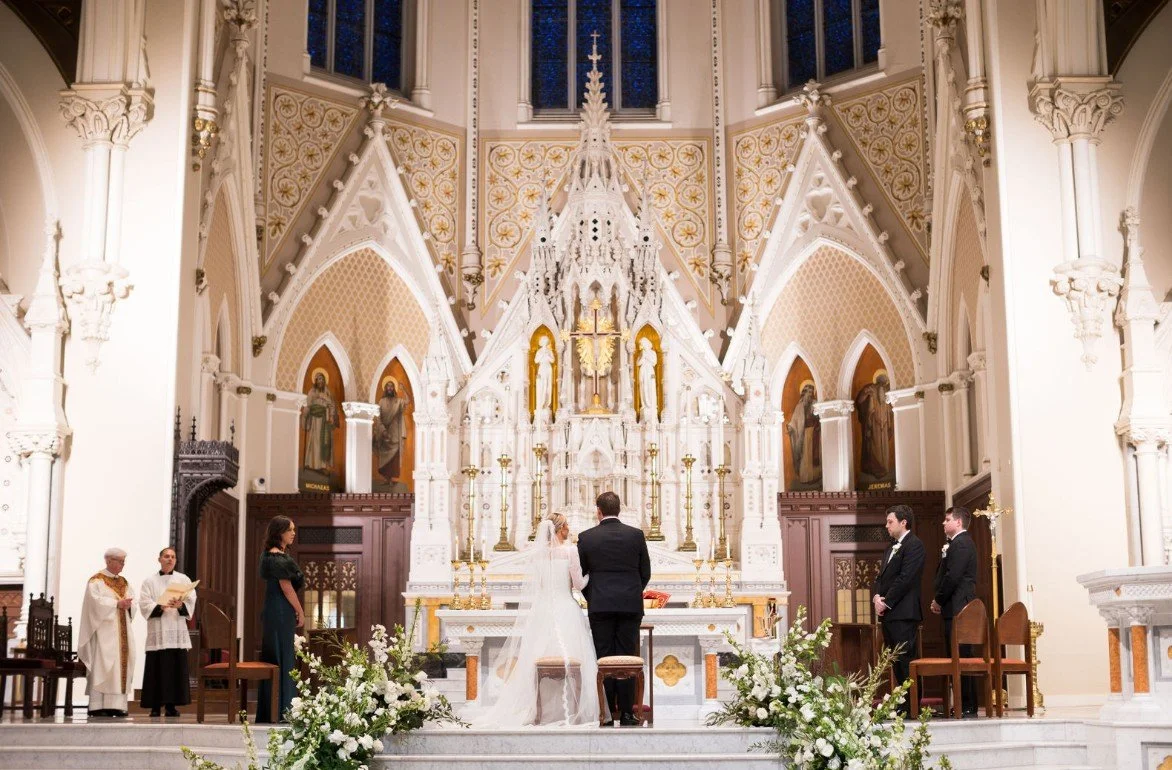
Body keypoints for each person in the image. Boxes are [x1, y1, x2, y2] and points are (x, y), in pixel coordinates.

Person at [472, 512, 599, 727]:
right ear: (560, 529)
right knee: (575, 657)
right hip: (566, 609)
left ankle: (542, 710)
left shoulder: (537, 554)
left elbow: (539, 585)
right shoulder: (570, 551)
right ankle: (573, 710)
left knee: (537, 656)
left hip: (543, 612)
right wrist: (593, 574)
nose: (569, 529)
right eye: (566, 525)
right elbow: (579, 584)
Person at [576, 492, 652, 726]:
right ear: (619, 509)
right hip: (630, 605)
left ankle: (607, 713)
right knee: (628, 657)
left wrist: (594, 596)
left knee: (604, 658)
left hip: (600, 606)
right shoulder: (636, 535)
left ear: (598, 511)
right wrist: (631, 592)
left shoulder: (586, 537)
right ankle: (628, 713)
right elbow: (645, 572)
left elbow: (582, 576)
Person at [871, 504, 925, 711]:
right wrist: (876, 596)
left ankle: (912, 705)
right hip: (889, 613)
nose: (886, 525)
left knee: (905, 659)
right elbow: (881, 577)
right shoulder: (890, 547)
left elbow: (906, 579)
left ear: (903, 522)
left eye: (890, 521)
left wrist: (886, 601)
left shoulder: (915, 545)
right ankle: (902, 703)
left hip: (903, 612)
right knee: (895, 660)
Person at [931, 505, 979, 717]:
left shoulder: (961, 545)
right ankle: (962, 703)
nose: (944, 522)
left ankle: (967, 704)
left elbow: (953, 577)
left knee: (962, 656)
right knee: (957, 656)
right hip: (955, 607)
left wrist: (938, 600)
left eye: (947, 519)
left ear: (958, 522)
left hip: (959, 607)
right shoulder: (957, 543)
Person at [256, 515, 304, 723]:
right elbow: (286, 588)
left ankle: (275, 709)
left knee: (278, 656)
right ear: (279, 533)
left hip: (275, 610)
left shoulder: (271, 555)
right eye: (290, 530)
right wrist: (300, 611)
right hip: (280, 610)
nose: (293, 533)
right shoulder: (277, 557)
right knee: (282, 656)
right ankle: (284, 708)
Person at [78, 547, 136, 718]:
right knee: (103, 665)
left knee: (121, 666)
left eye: (124, 562)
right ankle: (97, 706)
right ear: (108, 560)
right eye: (119, 561)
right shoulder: (96, 581)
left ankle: (117, 706)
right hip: (104, 632)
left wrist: (129, 604)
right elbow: (93, 603)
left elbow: (132, 600)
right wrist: (116, 604)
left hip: (122, 631)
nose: (122, 565)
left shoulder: (124, 582)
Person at [138, 546, 196, 717]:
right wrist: (159, 606)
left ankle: (171, 706)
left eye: (173, 557)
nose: (170, 559)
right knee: (156, 669)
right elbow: (144, 602)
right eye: (166, 556)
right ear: (159, 559)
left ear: (175, 560)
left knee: (174, 669)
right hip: (158, 629)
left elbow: (191, 598)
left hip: (176, 628)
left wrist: (181, 605)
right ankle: (155, 706)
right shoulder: (149, 581)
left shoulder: (183, 579)